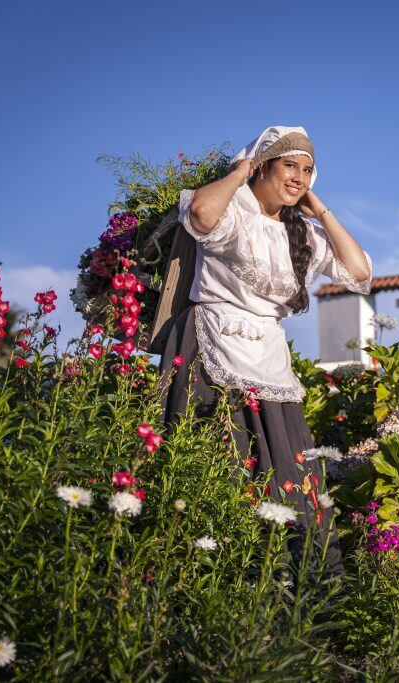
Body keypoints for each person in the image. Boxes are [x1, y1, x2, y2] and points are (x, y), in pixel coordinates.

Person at [159, 126, 372, 576]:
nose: (299, 177)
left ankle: (294, 578)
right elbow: (199, 212)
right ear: (264, 167)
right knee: (224, 459)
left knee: (286, 469)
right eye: (289, 166)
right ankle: (222, 578)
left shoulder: (304, 232)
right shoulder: (232, 207)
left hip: (268, 356)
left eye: (307, 170)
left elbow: (359, 271)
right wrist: (239, 174)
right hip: (212, 344)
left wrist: (321, 208)